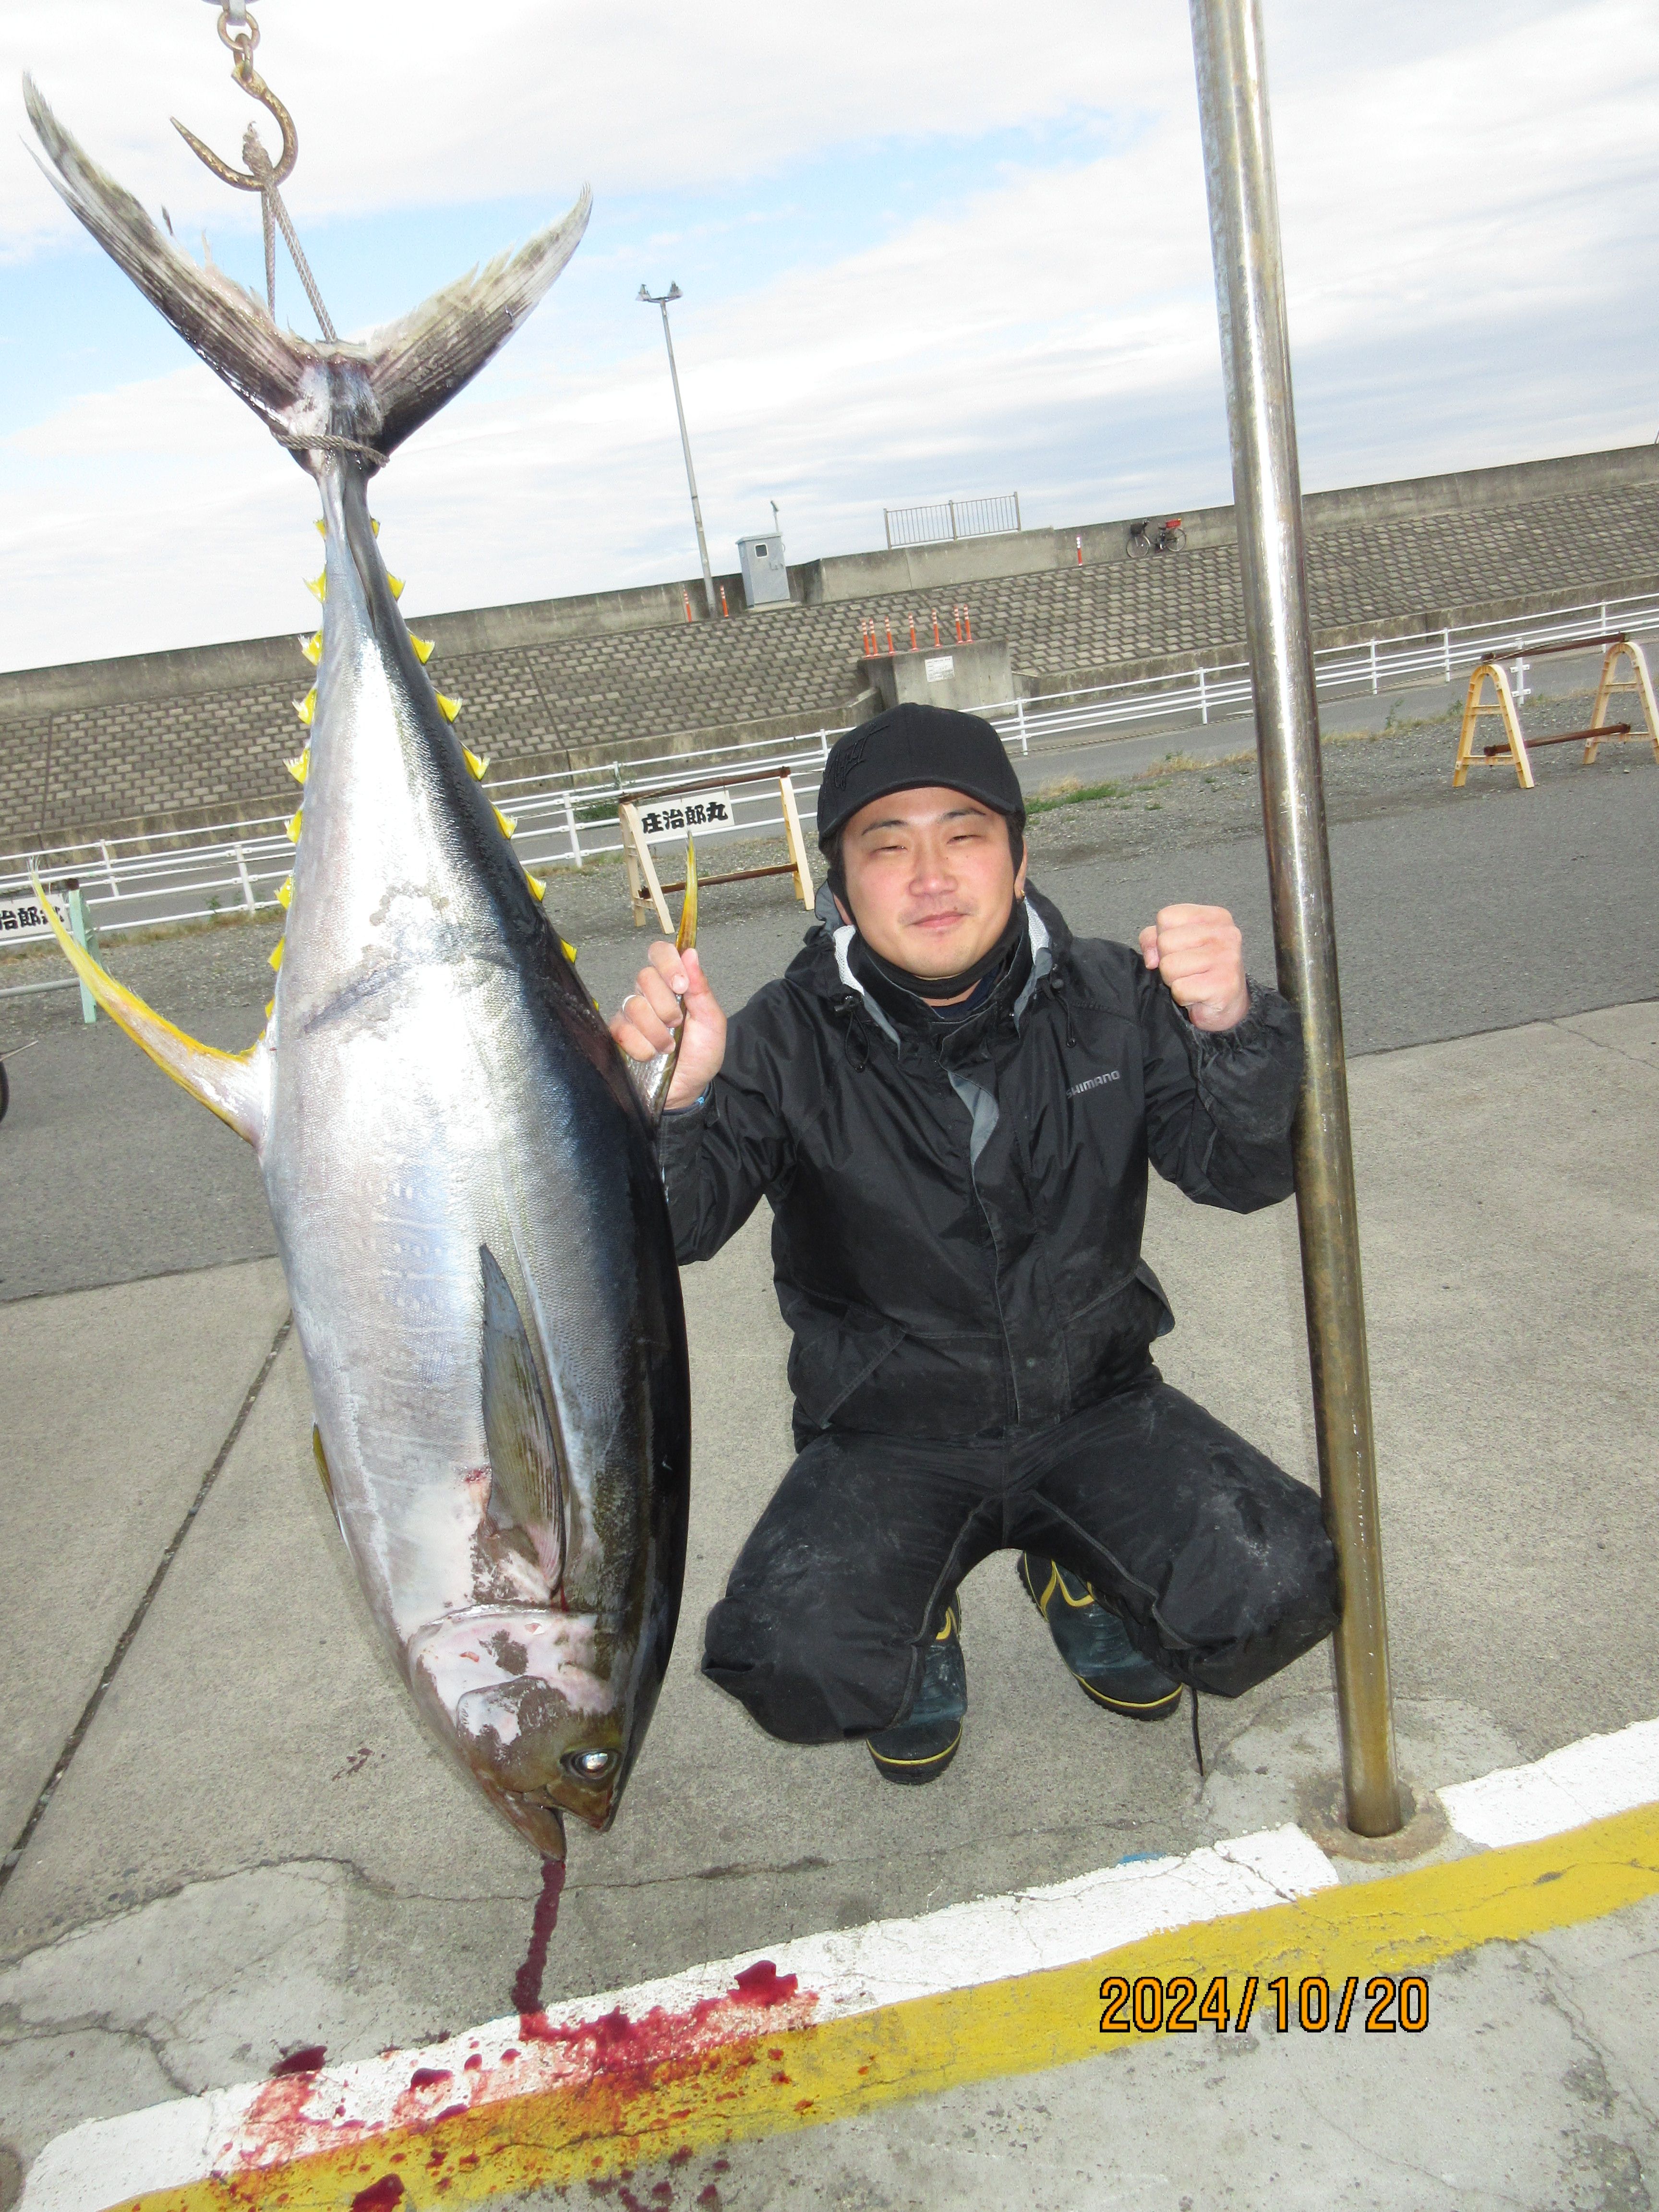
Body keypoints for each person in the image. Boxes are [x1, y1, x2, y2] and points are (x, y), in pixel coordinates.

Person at [611, 702, 1338, 1784]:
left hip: (1099, 1404)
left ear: (1019, 856)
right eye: (886, 847)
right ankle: (921, 1608)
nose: (932, 877)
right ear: (839, 887)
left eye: (965, 835)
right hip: (885, 1434)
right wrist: (671, 1102)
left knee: (1284, 1584)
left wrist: (1233, 1029)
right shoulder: (774, 1039)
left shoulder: (1117, 996)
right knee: (796, 1664)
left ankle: (1075, 1566)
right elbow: (675, 1228)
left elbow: (1244, 1174)